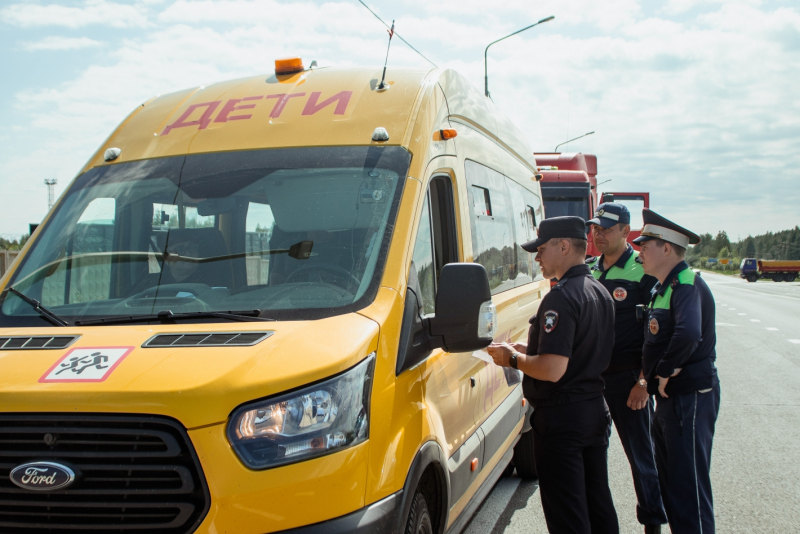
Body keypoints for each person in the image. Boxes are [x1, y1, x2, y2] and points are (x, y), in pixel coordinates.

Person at [488, 216, 619, 534]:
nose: (537, 258)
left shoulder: (561, 296)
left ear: (563, 247)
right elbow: (576, 351)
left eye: (541, 249)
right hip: (593, 410)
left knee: (568, 517)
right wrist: (529, 348)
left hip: (563, 420)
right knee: (598, 507)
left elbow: (553, 369)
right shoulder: (599, 291)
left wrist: (512, 358)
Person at [633, 209, 720, 534]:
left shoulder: (685, 284)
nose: (639, 252)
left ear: (667, 248)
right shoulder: (663, 287)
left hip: (688, 398)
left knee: (689, 491)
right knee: (673, 487)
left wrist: (667, 370)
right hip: (671, 401)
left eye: (645, 246)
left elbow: (688, 333)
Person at [586, 203, 667, 534]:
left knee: (642, 460)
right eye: (596, 228)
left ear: (625, 231)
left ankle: (652, 525)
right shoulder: (589, 270)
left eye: (606, 228)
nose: (599, 234)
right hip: (593, 382)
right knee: (592, 460)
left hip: (629, 380)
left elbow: (656, 333)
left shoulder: (641, 271)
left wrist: (644, 382)